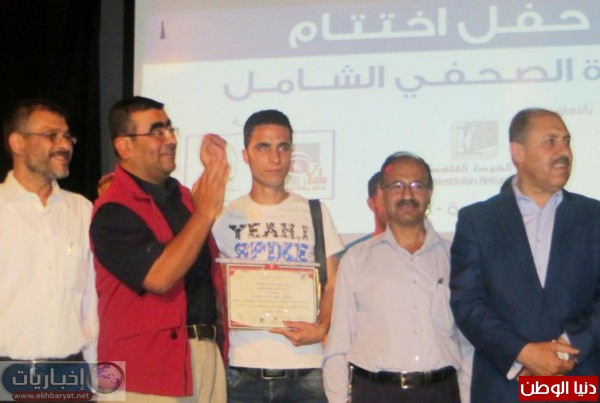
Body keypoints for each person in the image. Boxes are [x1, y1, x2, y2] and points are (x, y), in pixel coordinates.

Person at [450, 108, 600, 402]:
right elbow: (468, 303)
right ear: (517, 152)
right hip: (506, 386)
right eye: (550, 142)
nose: (564, 152)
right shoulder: (478, 221)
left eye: (566, 141)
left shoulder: (594, 217)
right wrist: (523, 353)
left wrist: (568, 347)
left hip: (577, 381)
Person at [90, 96, 229, 402]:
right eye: (157, 132)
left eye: (170, 129)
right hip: (144, 370)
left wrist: (213, 172)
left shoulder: (181, 196)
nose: (170, 139)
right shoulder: (113, 210)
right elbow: (160, 277)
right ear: (124, 146)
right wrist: (206, 211)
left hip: (203, 356)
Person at [211, 109, 344, 403]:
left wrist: (321, 327)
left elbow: (334, 282)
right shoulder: (224, 217)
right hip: (241, 368)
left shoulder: (315, 212)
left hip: (306, 368)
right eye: (263, 147)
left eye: (283, 147)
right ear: (245, 155)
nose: (275, 158)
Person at [323, 151, 471, 403]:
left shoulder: (455, 258)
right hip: (375, 392)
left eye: (417, 185)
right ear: (382, 194)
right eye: (397, 185)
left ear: (429, 193)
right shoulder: (357, 259)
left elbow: (468, 343)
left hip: (441, 392)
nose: (407, 195)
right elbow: (339, 344)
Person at [0, 99, 97, 363]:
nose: (64, 145)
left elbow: (92, 304)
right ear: (17, 143)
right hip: (6, 373)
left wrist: (101, 378)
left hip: (71, 371)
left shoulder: (82, 210)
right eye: (51, 135)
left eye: (67, 136)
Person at [337, 171, 387, 258]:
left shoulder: (413, 252)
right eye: (385, 201)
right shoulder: (350, 256)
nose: (392, 207)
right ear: (371, 204)